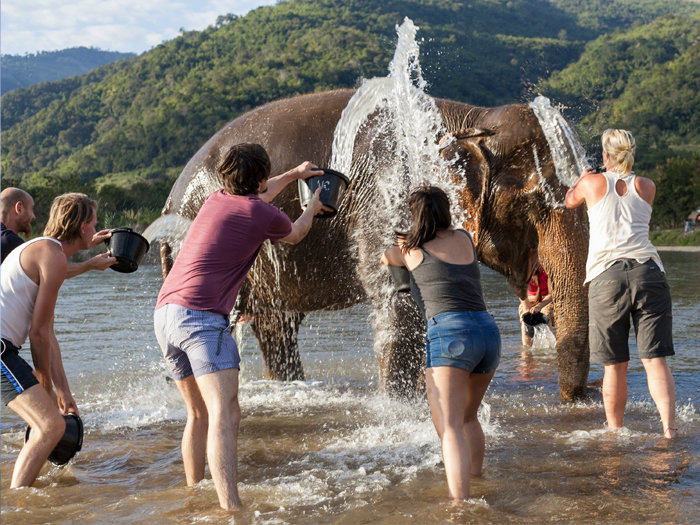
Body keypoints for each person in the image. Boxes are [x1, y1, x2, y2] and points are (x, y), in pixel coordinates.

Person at [153, 143, 328, 510]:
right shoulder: (262, 214)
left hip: (166, 314)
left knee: (198, 413)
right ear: (260, 178)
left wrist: (295, 174)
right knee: (224, 411)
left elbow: (260, 189)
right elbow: (295, 234)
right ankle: (231, 508)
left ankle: (193, 493)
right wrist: (313, 204)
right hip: (201, 320)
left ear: (226, 176)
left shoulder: (216, 199)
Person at [380, 185, 501, 501]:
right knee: (468, 417)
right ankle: (478, 481)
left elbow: (386, 258)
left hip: (450, 336)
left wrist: (402, 241)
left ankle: (460, 506)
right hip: (488, 333)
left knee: (449, 428)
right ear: (446, 212)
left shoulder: (409, 248)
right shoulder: (465, 238)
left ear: (415, 216)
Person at [565, 128, 676, 439]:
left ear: (605, 155)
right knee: (655, 361)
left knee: (614, 366)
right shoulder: (647, 186)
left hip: (606, 277)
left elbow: (568, 200)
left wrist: (581, 177)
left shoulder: (591, 183)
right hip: (648, 273)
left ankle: (616, 432)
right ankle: (669, 430)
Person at [1, 193, 101, 487]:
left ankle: (27, 496)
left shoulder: (47, 251)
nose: (95, 232)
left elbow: (49, 334)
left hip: (7, 350)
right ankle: (20, 506)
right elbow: (38, 334)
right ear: (82, 226)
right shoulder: (52, 255)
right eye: (94, 224)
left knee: (49, 425)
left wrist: (64, 392)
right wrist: (46, 385)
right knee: (49, 426)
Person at [1, 187, 116, 273]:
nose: (34, 217)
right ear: (19, 208)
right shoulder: (8, 242)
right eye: (32, 209)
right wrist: (89, 265)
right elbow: (49, 267)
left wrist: (85, 238)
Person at [518, 251, 554, 346]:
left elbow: (552, 293)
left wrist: (539, 306)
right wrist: (527, 308)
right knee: (524, 322)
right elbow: (520, 292)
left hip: (546, 299)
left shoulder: (545, 268)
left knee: (546, 318)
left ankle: (549, 353)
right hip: (528, 299)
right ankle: (526, 353)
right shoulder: (521, 270)